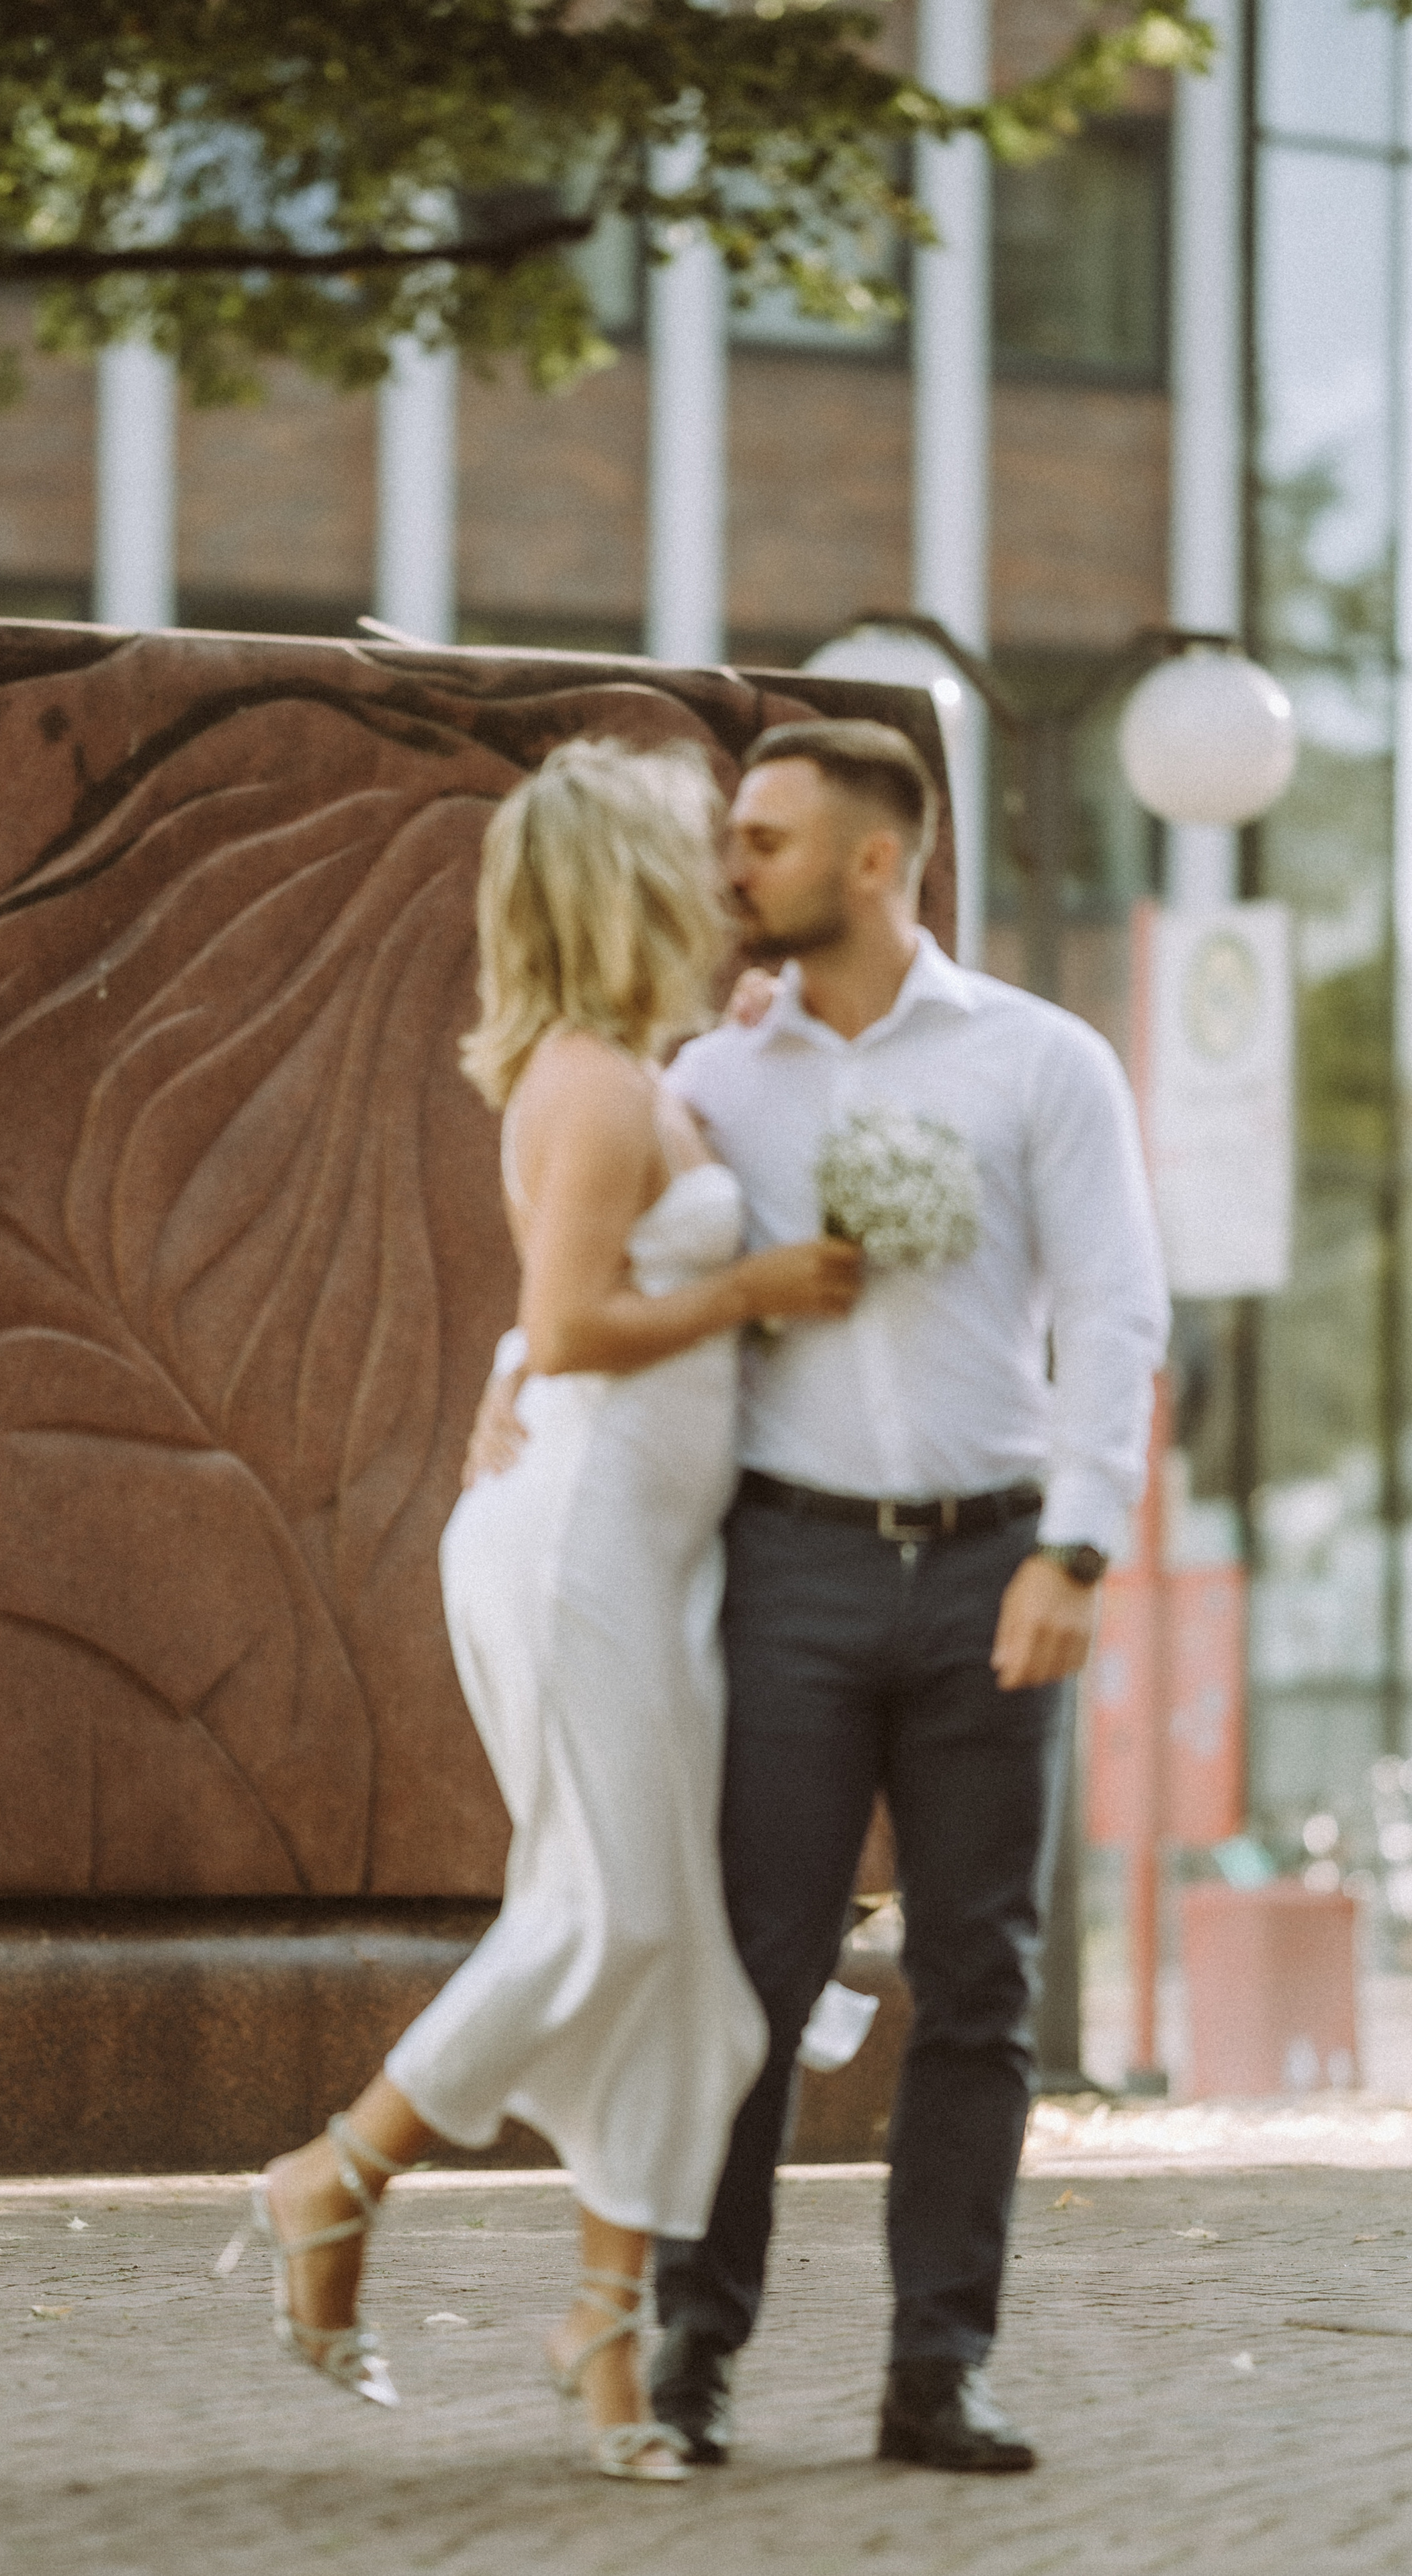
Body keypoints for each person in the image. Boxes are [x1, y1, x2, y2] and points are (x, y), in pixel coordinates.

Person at [223, 735, 858, 2483]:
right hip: (575, 1542)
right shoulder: (583, 1085)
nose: (722, 872)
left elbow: (553, 1334)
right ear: (622, 883)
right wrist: (753, 1286)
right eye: (690, 847)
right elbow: (572, 1324)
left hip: (645, 1549)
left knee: (687, 1966)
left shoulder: (641, 1071)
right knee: (603, 1918)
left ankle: (600, 2339)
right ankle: (335, 2170)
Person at [635, 716, 1170, 2473]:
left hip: (988, 1568)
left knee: (981, 1982)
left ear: (880, 861)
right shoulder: (721, 1076)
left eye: (769, 840)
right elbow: (613, 1259)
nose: (738, 868)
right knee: (751, 1976)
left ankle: (940, 2370)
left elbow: (1115, 1312)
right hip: (782, 1567)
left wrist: (1075, 1548)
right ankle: (686, 2355)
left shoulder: (1042, 1061)